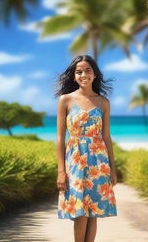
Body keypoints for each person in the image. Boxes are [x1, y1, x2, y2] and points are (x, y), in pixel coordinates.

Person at [55, 55, 117, 242]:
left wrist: (113, 169)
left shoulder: (103, 102)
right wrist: (61, 171)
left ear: (95, 75)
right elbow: (59, 137)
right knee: (80, 210)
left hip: (99, 161)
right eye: (79, 71)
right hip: (75, 160)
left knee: (93, 210)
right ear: (74, 76)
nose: (83, 74)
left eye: (88, 70)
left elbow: (106, 137)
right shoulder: (65, 100)